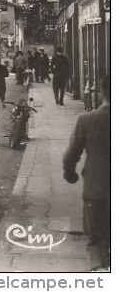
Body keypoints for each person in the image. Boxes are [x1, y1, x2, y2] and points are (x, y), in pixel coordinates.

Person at [63, 75, 111, 271]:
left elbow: (72, 152)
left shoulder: (87, 120)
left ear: (101, 92)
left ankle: (99, 271)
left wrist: (70, 172)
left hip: (96, 187)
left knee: (95, 237)